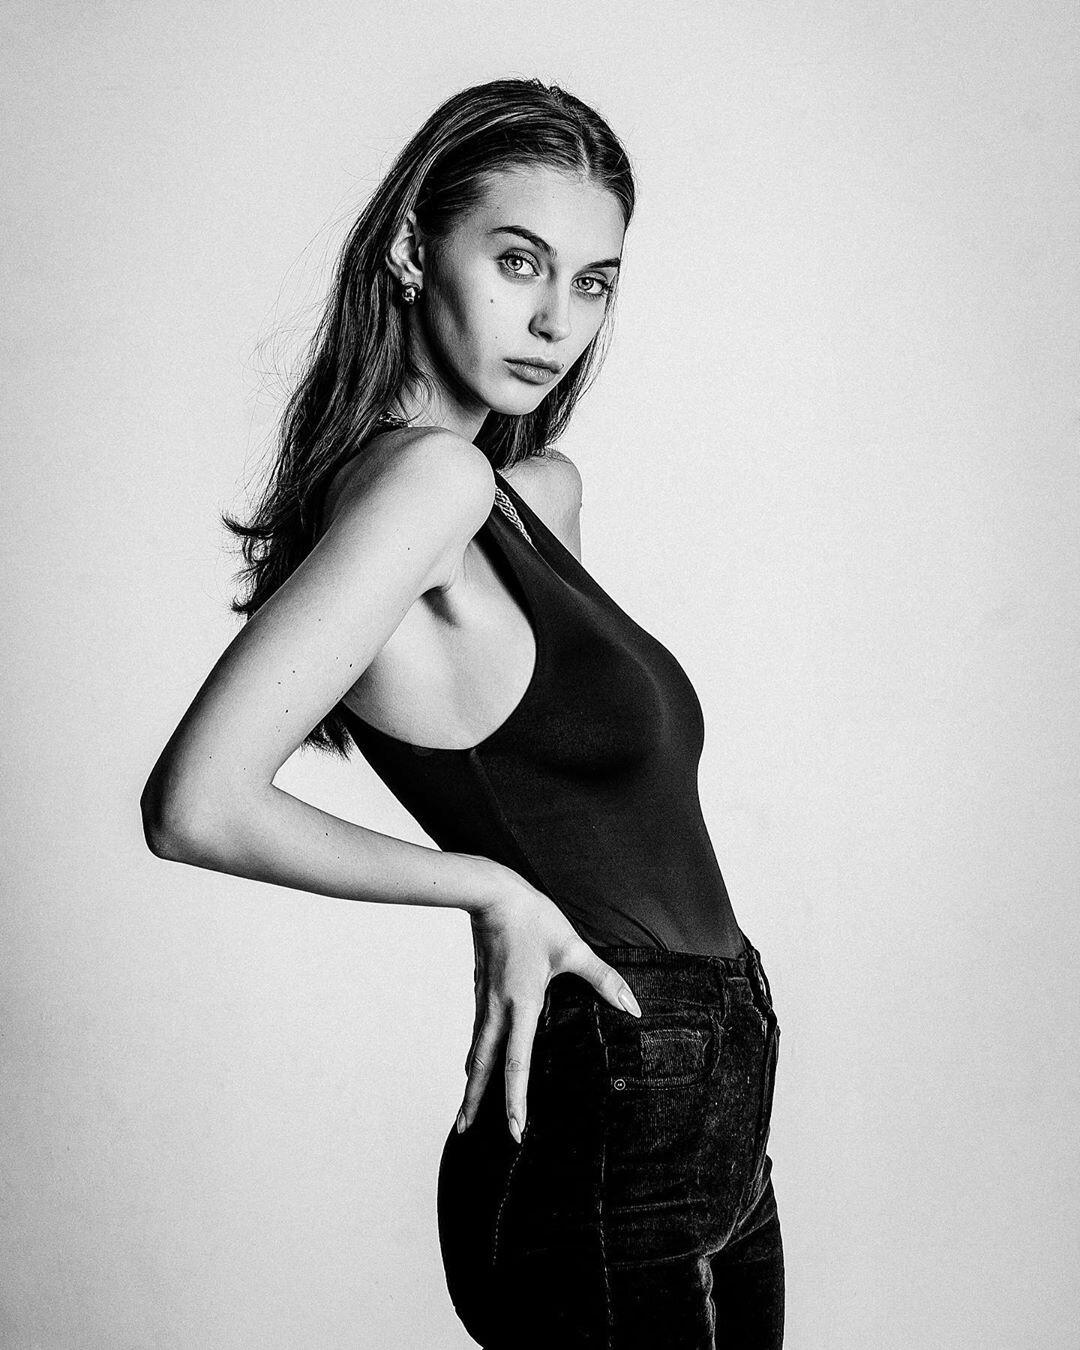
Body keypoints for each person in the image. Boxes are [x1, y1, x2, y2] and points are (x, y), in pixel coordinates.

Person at [140, 77, 784, 1349]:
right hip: (615, 1114)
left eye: (592, 283)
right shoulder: (428, 483)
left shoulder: (529, 493)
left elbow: (563, 784)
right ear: (409, 251)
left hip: (703, 1096)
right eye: (517, 261)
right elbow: (195, 804)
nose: (555, 319)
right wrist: (489, 888)